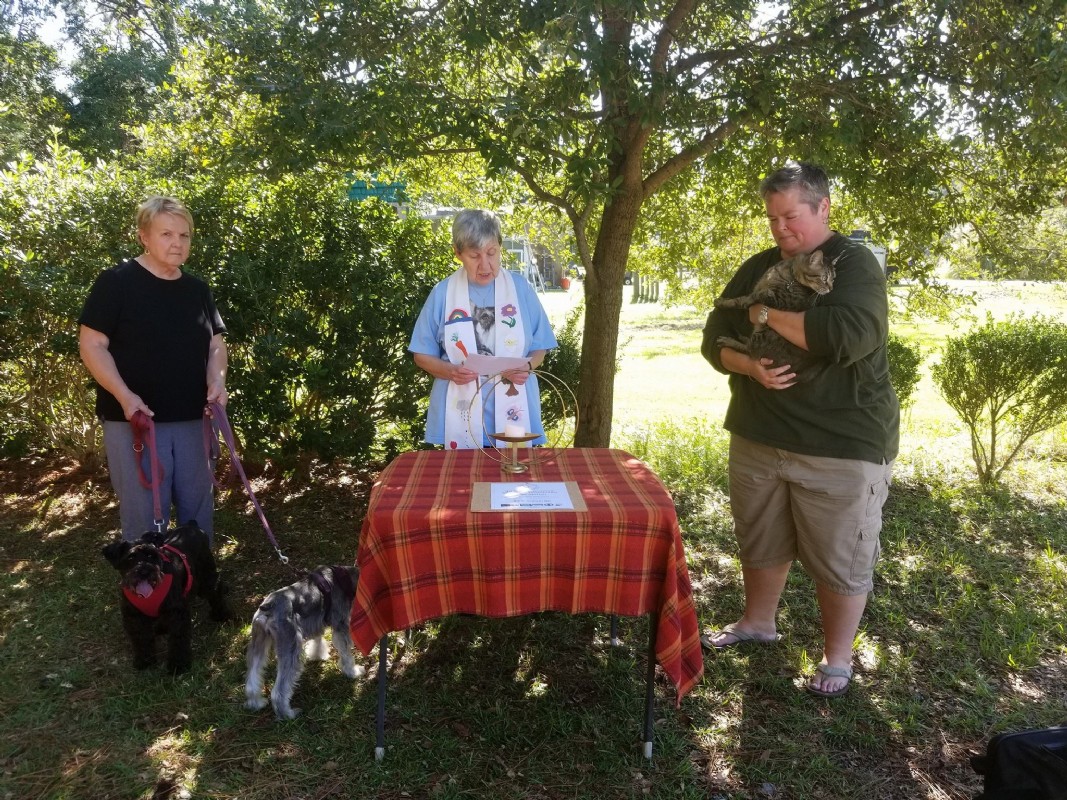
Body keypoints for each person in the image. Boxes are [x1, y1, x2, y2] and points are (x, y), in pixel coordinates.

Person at [700, 161, 899, 698]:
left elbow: (846, 335)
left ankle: (837, 658)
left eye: (791, 216)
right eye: (772, 219)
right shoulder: (759, 265)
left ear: (823, 207)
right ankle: (757, 623)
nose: (781, 229)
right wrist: (748, 366)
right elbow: (715, 334)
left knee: (840, 558)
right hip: (759, 434)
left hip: (840, 443)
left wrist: (763, 315)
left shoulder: (854, 264)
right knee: (760, 539)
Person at [79, 196, 228, 544]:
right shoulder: (115, 282)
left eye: (185, 235)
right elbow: (92, 346)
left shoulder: (197, 290)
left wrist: (217, 381)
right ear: (144, 236)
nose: (177, 243)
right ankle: (146, 593)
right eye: (166, 234)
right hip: (134, 421)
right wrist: (125, 397)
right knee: (144, 518)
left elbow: (215, 345)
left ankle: (194, 582)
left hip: (194, 419)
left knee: (198, 513)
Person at [409, 209, 557, 448]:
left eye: (492, 252)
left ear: (500, 247)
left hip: (515, 410)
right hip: (458, 413)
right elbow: (421, 354)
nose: (485, 265)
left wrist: (527, 367)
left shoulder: (520, 289)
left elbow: (540, 346)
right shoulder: (443, 293)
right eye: (474, 256)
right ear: (458, 253)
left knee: (515, 479)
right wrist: (450, 371)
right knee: (462, 483)